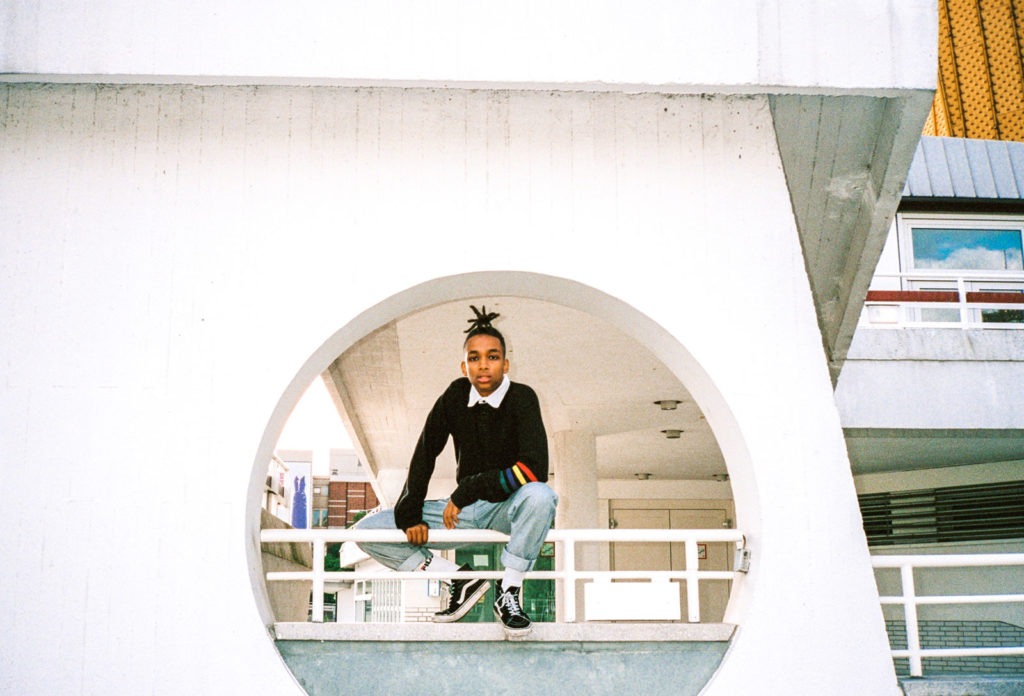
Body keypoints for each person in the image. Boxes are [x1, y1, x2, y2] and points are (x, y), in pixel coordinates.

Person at [356, 305, 558, 635]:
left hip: (506, 508)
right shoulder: (454, 396)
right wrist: (410, 515)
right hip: (460, 512)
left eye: (492, 357)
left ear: (505, 364)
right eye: (474, 358)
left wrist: (469, 489)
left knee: (540, 496)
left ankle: (508, 592)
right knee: (368, 530)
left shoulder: (522, 398)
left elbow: (533, 469)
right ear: (464, 366)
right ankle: (459, 579)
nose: (483, 365)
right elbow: (425, 453)